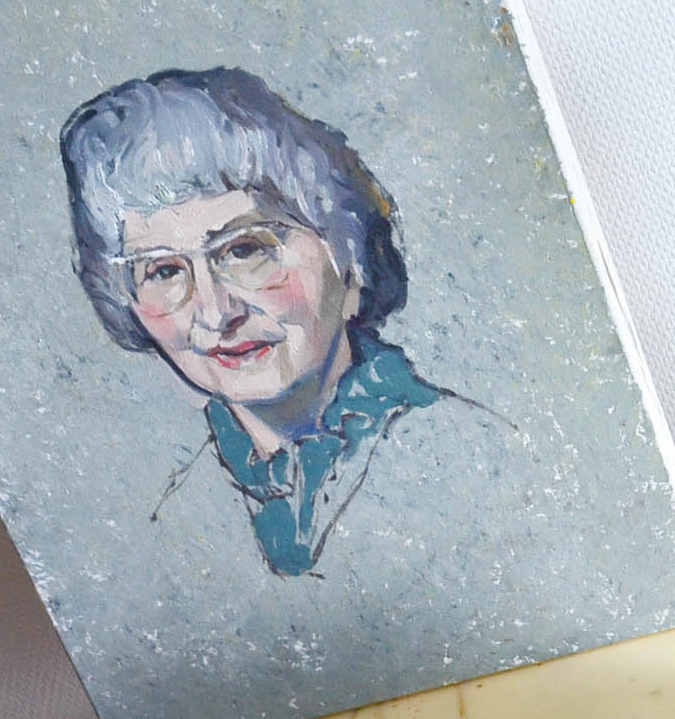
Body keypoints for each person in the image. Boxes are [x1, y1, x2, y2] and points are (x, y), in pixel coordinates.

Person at [60, 67, 510, 578]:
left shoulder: (471, 451)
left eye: (245, 249)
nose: (215, 312)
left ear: (347, 255)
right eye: (164, 270)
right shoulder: (170, 520)